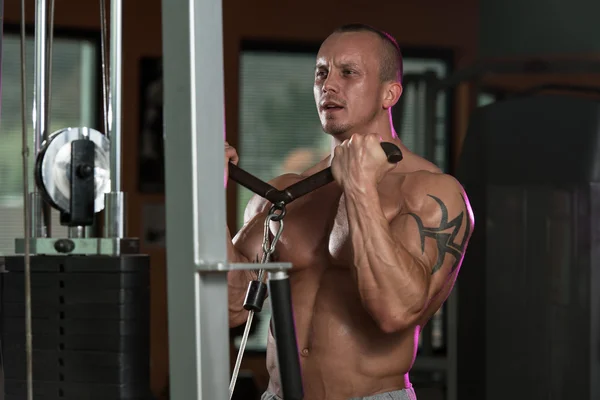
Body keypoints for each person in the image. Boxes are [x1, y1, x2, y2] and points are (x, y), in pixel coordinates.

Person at [225, 23, 474, 400]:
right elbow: (230, 310)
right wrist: (209, 193)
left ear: (390, 93)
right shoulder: (282, 193)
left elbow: (395, 312)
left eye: (348, 72)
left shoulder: (431, 191)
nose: (328, 85)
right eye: (321, 73)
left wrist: (359, 186)